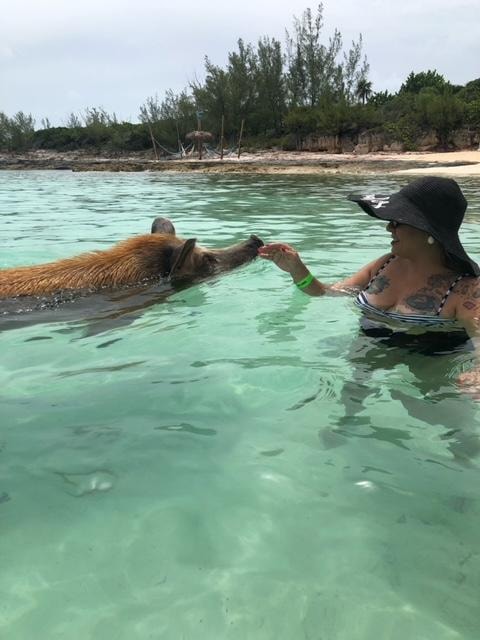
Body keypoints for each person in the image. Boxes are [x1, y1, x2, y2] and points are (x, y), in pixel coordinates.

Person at [258, 176, 480, 395]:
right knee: (347, 408)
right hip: (367, 355)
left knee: (439, 421)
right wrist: (298, 270)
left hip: (432, 366)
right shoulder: (384, 264)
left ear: (428, 231)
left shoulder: (467, 289)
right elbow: (327, 292)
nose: (389, 228)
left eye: (397, 221)